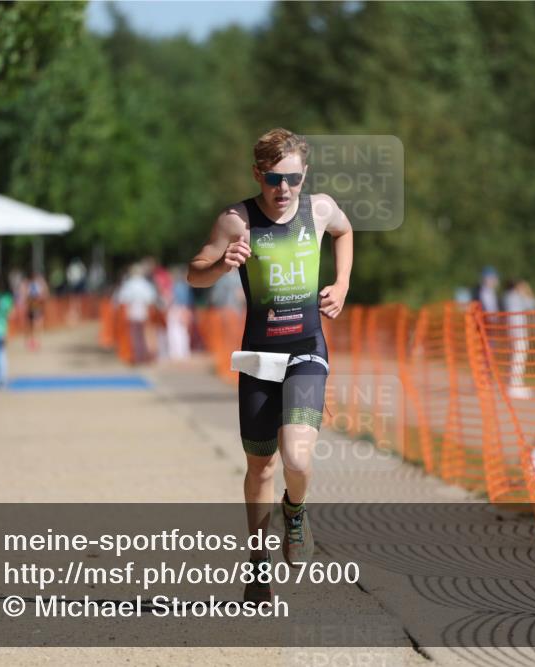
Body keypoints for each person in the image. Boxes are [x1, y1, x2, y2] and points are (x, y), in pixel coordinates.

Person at [187, 128, 353, 605]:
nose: (284, 189)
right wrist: (220, 266)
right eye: (274, 179)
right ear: (257, 174)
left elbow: (344, 231)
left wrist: (341, 284)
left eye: (293, 178)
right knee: (260, 466)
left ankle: (295, 511)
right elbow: (194, 271)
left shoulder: (318, 209)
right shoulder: (236, 220)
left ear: (305, 176)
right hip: (259, 354)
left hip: (306, 346)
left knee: (297, 458)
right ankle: (258, 567)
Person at [114, 263, 157, 365]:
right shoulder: (145, 284)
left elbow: (122, 298)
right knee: (144, 335)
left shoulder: (129, 284)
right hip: (144, 312)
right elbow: (151, 298)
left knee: (135, 335)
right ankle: (144, 355)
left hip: (133, 312)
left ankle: (137, 356)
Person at [504, 279, 535, 399]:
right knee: (519, 357)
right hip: (518, 331)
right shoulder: (517, 296)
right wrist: (527, 291)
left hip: (512, 330)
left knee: (514, 357)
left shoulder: (508, 296)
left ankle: (512, 384)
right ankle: (514, 386)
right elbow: (533, 304)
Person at [25, 272, 49, 350]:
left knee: (35, 324)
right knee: (34, 324)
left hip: (35, 307)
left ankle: (35, 341)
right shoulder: (33, 285)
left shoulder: (33, 285)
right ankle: (34, 341)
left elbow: (42, 295)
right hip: (33, 307)